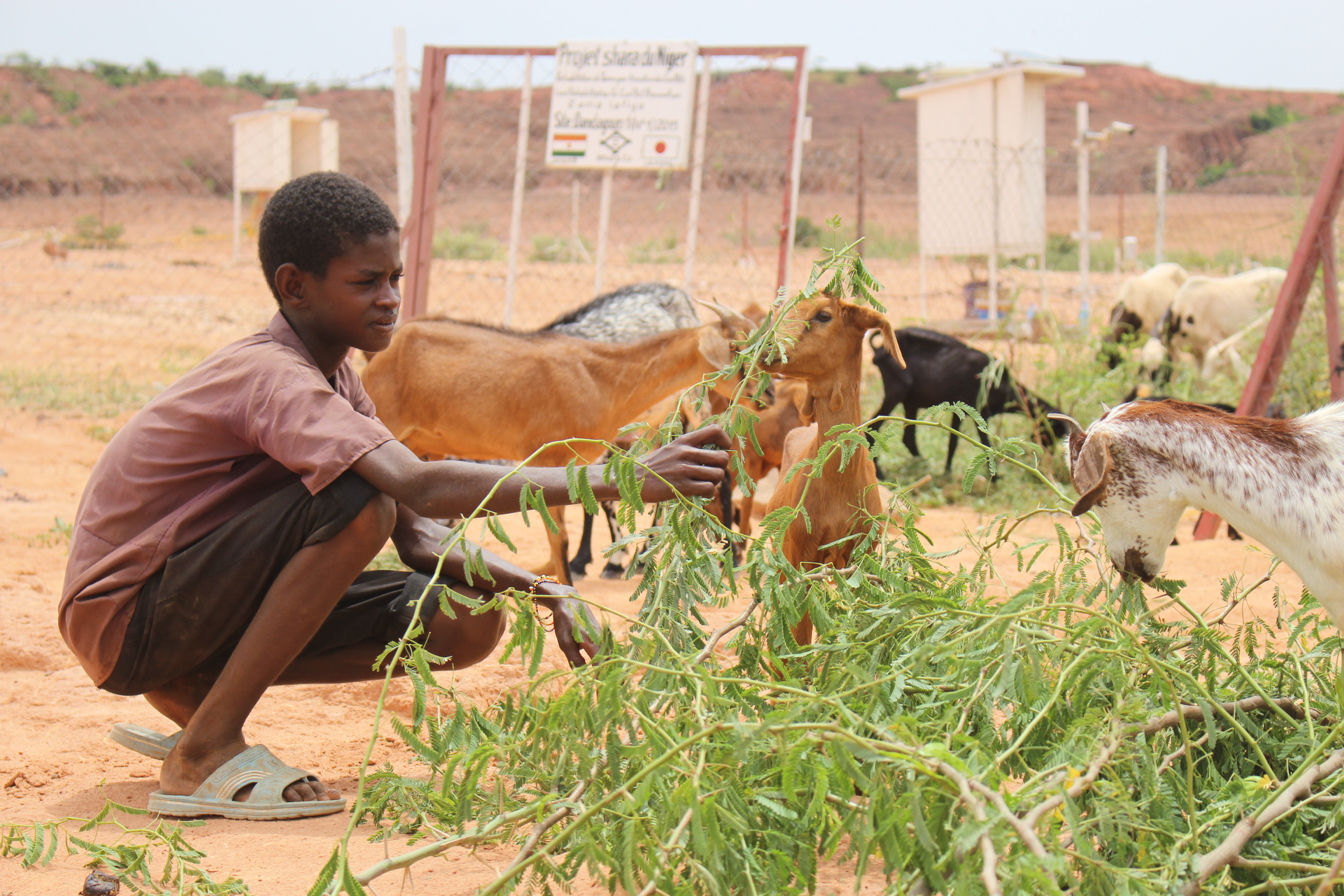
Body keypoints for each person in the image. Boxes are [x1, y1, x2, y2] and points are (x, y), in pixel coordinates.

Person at [59, 171, 731, 820]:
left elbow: (416, 533)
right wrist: (621, 476)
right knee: (362, 501)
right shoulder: (274, 378)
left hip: (186, 610)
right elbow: (417, 486)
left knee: (466, 614)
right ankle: (202, 754)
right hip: (128, 617)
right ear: (295, 287)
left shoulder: (338, 379)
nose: (390, 298)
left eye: (394, 279)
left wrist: (548, 589)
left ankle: (194, 701)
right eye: (366, 282)